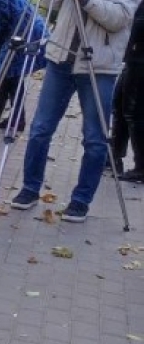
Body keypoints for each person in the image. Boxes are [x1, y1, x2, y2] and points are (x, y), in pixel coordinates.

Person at [9, 0, 139, 222]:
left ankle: (81, 200)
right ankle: (30, 188)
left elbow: (118, 19)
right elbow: (52, 5)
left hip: (99, 66)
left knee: (94, 138)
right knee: (41, 128)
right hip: (60, 58)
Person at [0, 0, 48, 133]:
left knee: (9, 73)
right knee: (10, 75)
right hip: (26, 28)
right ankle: (6, 118)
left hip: (25, 31)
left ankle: (6, 119)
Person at [110, 0, 144, 182]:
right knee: (120, 105)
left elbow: (137, 24)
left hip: (139, 60)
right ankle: (114, 156)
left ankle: (141, 167)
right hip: (134, 58)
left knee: (134, 112)